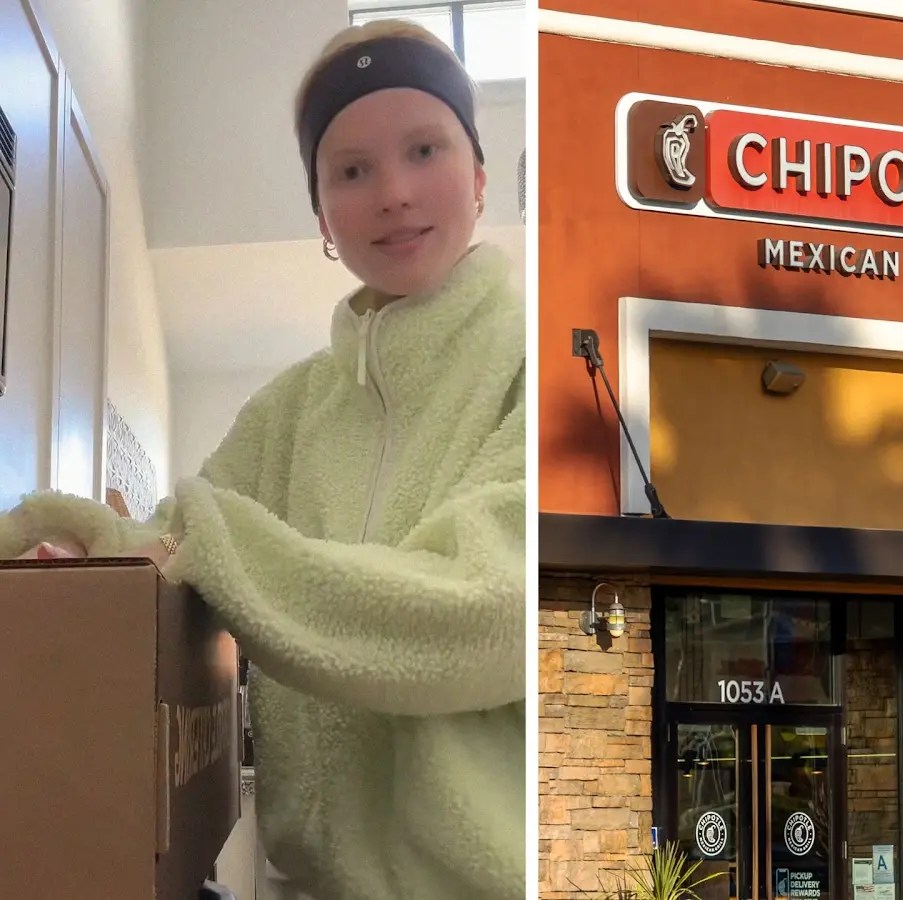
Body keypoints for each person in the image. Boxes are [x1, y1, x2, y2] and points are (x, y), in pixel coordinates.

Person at [1, 20, 525, 900]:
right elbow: (169, 545)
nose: (393, 192)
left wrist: (208, 539)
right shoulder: (284, 413)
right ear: (322, 214)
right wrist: (79, 557)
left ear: (477, 174)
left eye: (424, 149)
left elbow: (487, 613)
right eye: (351, 170)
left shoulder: (534, 369)